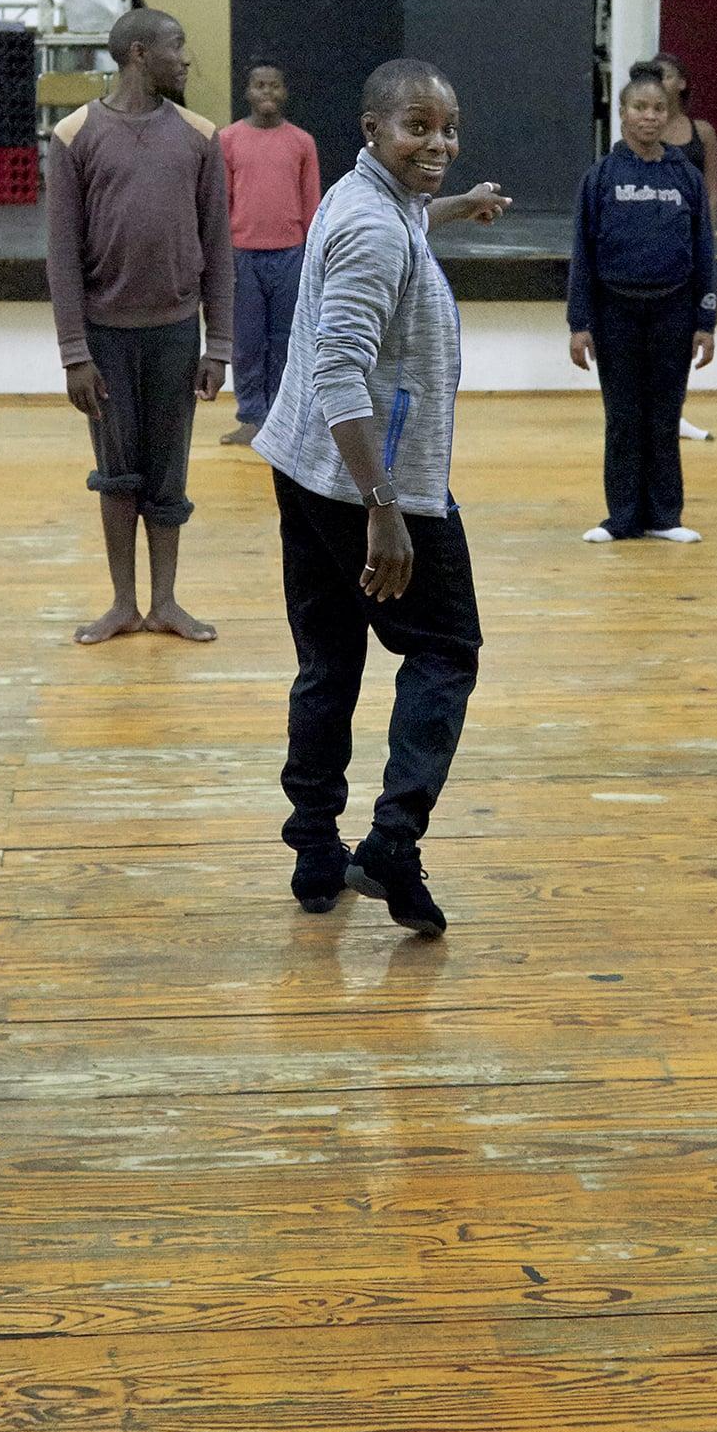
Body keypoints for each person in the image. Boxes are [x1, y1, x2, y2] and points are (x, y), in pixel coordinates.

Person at [253, 57, 512, 934]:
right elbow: (338, 372)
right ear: (373, 130)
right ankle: (393, 841)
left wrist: (456, 203)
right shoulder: (372, 228)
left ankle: (314, 849)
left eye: (447, 126)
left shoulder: (367, 199)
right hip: (364, 481)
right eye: (417, 127)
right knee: (447, 651)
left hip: (303, 470)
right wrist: (385, 508)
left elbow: (403, 221)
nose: (437, 142)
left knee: (330, 660)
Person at [48, 5, 235, 645]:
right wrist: (75, 351)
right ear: (138, 53)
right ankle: (123, 603)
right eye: (177, 45)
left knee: (168, 473)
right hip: (104, 338)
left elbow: (219, 248)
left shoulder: (201, 137)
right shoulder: (74, 136)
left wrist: (221, 344)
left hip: (177, 337)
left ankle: (166, 602)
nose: (186, 58)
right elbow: (62, 255)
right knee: (115, 471)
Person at [570, 62, 717, 543]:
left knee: (664, 415)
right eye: (639, 107)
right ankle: (622, 517)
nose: (650, 117)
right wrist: (580, 322)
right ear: (623, 115)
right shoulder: (601, 178)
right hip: (616, 314)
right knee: (623, 417)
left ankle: (664, 517)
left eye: (658, 108)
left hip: (674, 313)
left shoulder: (686, 178)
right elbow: (583, 255)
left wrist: (706, 319)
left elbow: (703, 251)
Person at [218, 58, 320, 448]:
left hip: (291, 254)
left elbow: (312, 200)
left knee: (285, 340)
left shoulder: (301, 142)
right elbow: (222, 200)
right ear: (247, 92)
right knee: (246, 341)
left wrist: (314, 251)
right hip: (243, 254)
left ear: (284, 92)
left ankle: (281, 414)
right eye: (259, 85)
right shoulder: (228, 140)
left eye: (273, 85)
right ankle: (250, 416)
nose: (266, 92)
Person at [651, 51, 717, 443]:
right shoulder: (648, 129)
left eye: (665, 75)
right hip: (658, 238)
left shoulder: (702, 131)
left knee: (683, 333)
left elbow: (711, 188)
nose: (659, 82)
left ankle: (675, 412)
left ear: (681, 82)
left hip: (691, 243)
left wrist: (708, 235)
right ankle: (651, 412)